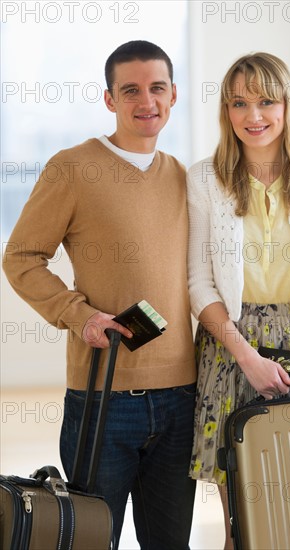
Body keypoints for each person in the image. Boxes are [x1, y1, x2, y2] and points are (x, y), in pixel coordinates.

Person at [2, 40, 197, 549]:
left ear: (173, 95)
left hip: (181, 396)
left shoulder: (184, 177)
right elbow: (21, 257)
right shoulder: (72, 167)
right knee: (91, 541)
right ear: (110, 99)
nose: (145, 101)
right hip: (104, 398)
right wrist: (78, 314)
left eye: (157, 88)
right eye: (130, 90)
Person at [186, 52, 290, 549]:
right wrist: (247, 357)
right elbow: (198, 283)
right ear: (226, 111)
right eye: (239, 103)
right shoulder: (204, 178)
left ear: (286, 104)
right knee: (242, 513)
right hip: (231, 347)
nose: (253, 116)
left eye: (265, 101)